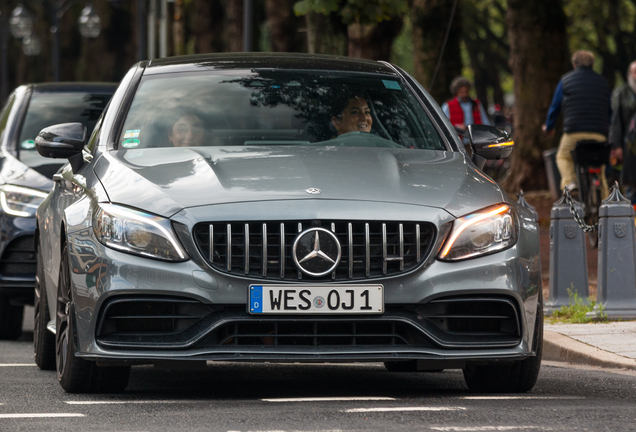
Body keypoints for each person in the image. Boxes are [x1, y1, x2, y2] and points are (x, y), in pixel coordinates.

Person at [542, 50, 611, 197]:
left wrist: (549, 127)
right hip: (599, 133)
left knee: (563, 157)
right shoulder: (603, 82)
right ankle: (605, 204)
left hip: (574, 133)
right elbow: (610, 109)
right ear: (593, 65)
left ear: (574, 64)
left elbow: (555, 106)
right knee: (600, 168)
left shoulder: (565, 80)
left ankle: (571, 182)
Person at [608, 61, 636, 204]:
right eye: (635, 72)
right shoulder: (621, 93)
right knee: (632, 184)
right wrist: (616, 145)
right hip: (629, 146)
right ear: (630, 74)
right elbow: (615, 121)